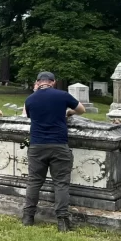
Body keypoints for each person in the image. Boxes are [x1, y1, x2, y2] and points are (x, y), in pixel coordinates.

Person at [21, 72, 86, 232]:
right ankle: (62, 221)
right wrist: (69, 112)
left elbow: (28, 115)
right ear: (53, 82)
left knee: (34, 181)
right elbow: (82, 110)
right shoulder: (63, 95)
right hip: (59, 144)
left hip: (37, 145)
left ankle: (28, 217)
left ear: (37, 82)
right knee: (61, 183)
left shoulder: (30, 99)